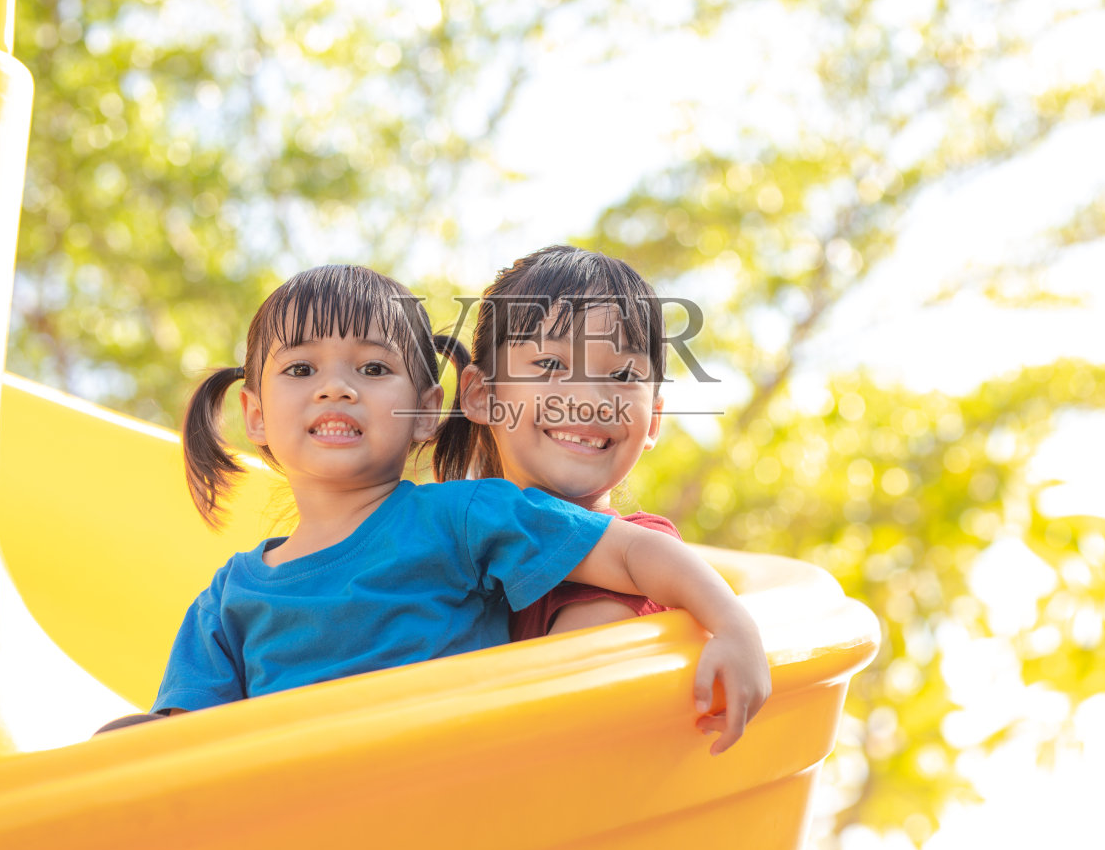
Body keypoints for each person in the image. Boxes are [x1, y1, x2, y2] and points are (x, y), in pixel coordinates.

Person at [98, 264, 767, 754]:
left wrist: (732, 622)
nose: (336, 388)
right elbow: (186, 750)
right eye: (302, 369)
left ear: (426, 410)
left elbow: (631, 552)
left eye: (372, 369)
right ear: (254, 414)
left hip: (447, 801)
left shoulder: (461, 517)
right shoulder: (226, 601)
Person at [434, 245, 683, 641]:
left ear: (652, 420)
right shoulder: (456, 552)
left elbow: (565, 678)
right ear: (482, 395)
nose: (587, 401)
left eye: (622, 375)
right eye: (551, 364)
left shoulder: (643, 567)